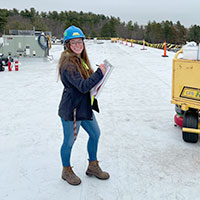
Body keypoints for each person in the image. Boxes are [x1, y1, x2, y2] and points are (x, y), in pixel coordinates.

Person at [57, 25, 110, 185]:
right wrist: (99, 73)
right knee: (69, 142)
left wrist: (98, 78)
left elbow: (87, 84)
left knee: (95, 134)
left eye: (80, 42)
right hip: (71, 110)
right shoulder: (68, 64)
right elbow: (82, 86)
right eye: (73, 43)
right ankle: (66, 170)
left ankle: (93, 166)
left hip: (84, 107)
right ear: (68, 45)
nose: (77, 45)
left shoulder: (80, 60)